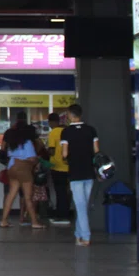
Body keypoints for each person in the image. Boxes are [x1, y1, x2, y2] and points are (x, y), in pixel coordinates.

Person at [60, 103, 100, 247]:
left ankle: (86, 237)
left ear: (70, 115)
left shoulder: (66, 132)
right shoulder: (91, 130)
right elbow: (97, 151)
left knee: (81, 206)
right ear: (80, 114)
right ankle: (78, 235)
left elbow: (64, 153)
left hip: (75, 172)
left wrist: (66, 158)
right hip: (89, 172)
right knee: (83, 205)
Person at [0, 119, 45, 229]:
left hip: (12, 167)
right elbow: (32, 158)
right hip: (23, 169)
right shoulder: (27, 142)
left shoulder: (13, 142)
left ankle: (4, 220)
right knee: (28, 197)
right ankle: (34, 222)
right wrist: (37, 161)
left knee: (11, 195)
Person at [45, 113, 72, 225]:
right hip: (69, 166)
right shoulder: (68, 131)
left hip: (57, 166)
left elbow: (51, 150)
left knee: (59, 191)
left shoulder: (54, 132)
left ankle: (61, 215)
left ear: (51, 122)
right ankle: (67, 212)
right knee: (66, 190)